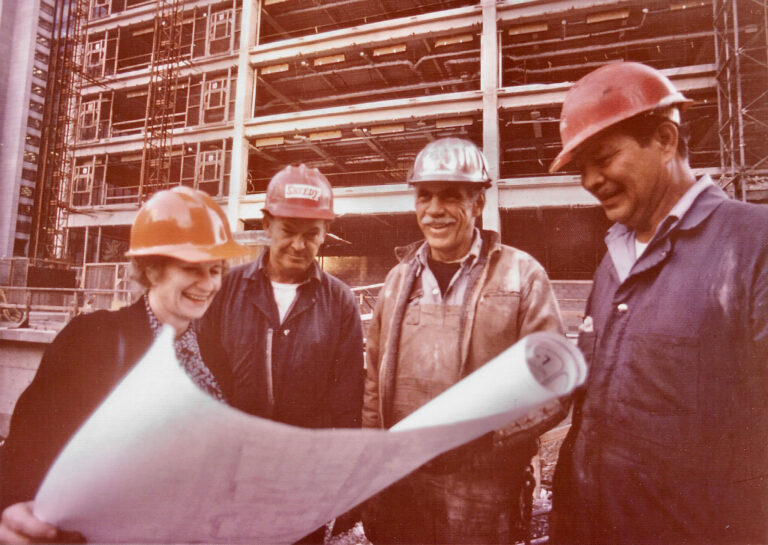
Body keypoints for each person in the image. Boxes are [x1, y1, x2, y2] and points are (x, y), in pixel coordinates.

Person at [548, 61, 768, 544]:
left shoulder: (754, 244)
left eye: (603, 158)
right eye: (582, 168)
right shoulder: (612, 263)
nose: (590, 180)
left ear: (666, 140)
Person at [0, 186, 248, 543]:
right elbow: (27, 455)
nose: (208, 284)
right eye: (193, 268)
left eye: (215, 270)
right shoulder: (92, 340)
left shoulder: (213, 353)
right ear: (151, 269)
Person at [361, 137, 567, 544]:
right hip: (402, 486)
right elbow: (372, 381)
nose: (434, 210)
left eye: (451, 196)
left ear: (478, 203)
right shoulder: (398, 279)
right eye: (424, 196)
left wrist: (481, 438)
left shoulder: (520, 275)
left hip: (483, 497)